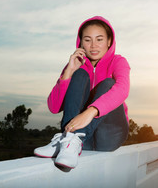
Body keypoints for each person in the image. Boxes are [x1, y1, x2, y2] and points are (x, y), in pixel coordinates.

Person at [34, 16, 130, 169]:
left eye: (99, 39)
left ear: (109, 41)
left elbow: (123, 89)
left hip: (109, 135)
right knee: (79, 74)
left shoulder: (118, 62)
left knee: (109, 84)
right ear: (80, 42)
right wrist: (69, 72)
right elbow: (54, 107)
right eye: (87, 40)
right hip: (79, 141)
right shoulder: (76, 63)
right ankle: (69, 141)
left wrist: (91, 111)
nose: (93, 46)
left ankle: (71, 138)